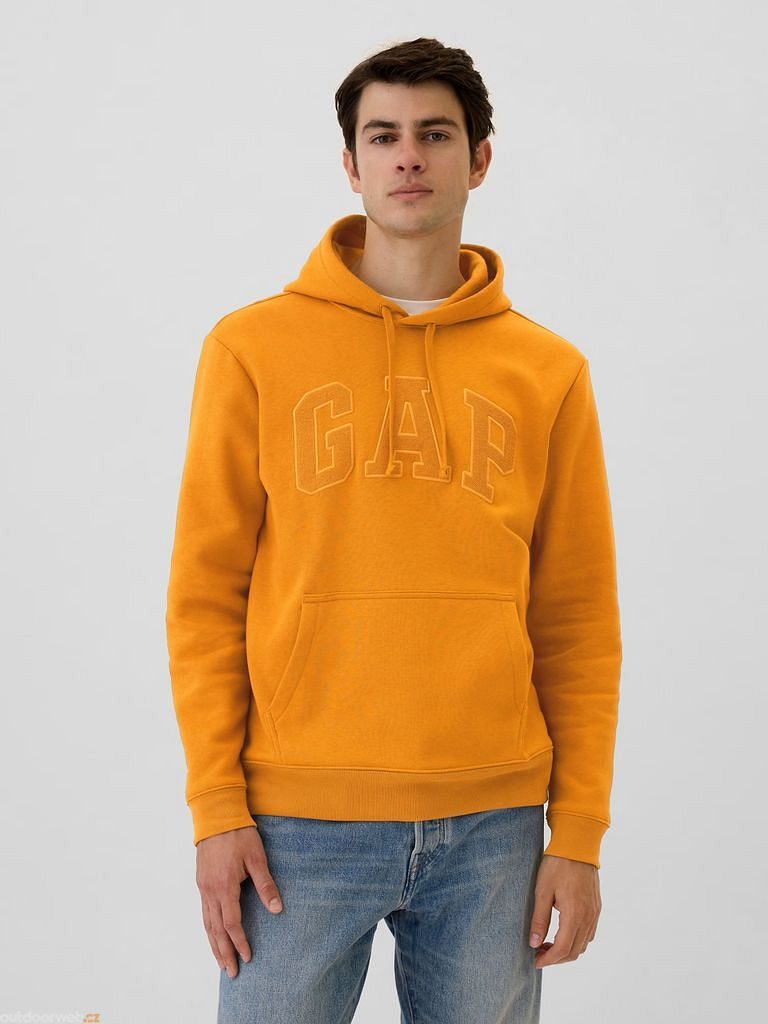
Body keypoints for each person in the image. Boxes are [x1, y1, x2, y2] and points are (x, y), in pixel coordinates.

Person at [165, 36, 622, 1024]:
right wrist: (215, 808)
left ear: (479, 158)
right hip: (295, 824)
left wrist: (578, 831)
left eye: (435, 134)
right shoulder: (252, 349)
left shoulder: (549, 372)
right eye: (383, 136)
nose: (408, 156)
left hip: (495, 826)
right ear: (351, 163)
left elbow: (578, 617)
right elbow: (205, 596)